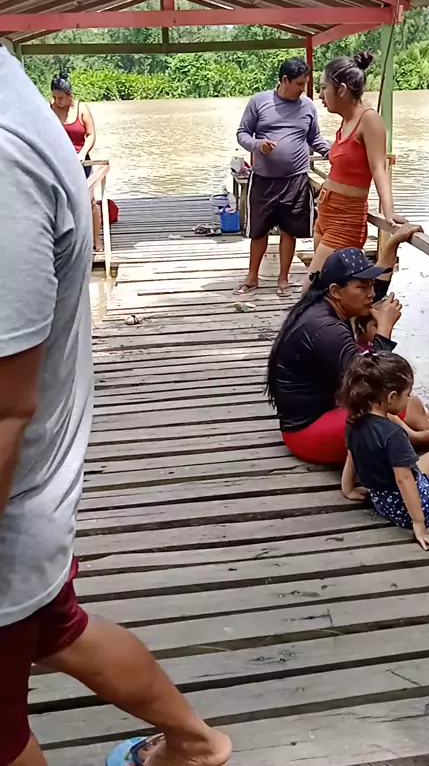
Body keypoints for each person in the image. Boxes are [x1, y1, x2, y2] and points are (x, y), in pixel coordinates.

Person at [0, 46, 231, 766]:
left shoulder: (4, 158)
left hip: (12, 504)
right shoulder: (19, 101)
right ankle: (195, 743)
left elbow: (5, 411)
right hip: (31, 501)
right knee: (56, 630)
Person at [266, 223, 429, 465]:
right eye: (362, 287)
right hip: (308, 432)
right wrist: (384, 329)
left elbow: (376, 289)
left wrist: (392, 243)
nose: (370, 294)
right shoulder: (326, 328)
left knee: (409, 404)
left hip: (328, 413)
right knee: (384, 408)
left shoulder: (325, 301)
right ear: (336, 290)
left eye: (369, 285)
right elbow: (373, 378)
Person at [340, 351, 429, 550]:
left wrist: (348, 489)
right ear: (392, 397)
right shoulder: (393, 434)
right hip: (412, 507)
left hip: (383, 500)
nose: (409, 400)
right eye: (407, 395)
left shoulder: (354, 420)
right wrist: (419, 524)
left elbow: (351, 454)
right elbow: (404, 479)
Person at [305, 50, 407, 286]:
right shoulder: (346, 121)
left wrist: (389, 211)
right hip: (326, 213)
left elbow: (379, 168)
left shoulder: (369, 120)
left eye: (323, 88)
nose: (320, 95)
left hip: (345, 219)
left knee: (311, 289)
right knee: (327, 291)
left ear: (341, 89)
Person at [235, 56, 330, 298]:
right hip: (263, 179)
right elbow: (242, 133)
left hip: (295, 180)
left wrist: (333, 153)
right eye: (299, 84)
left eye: (305, 84)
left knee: (289, 231)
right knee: (258, 232)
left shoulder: (307, 106)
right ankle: (252, 277)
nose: (303, 89)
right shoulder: (259, 102)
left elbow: (314, 138)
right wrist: (257, 144)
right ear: (284, 80)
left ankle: (283, 279)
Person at [355, 311, 429, 432]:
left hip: (378, 398)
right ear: (362, 327)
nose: (381, 328)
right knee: (413, 403)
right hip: (379, 401)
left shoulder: (364, 347)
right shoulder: (360, 352)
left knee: (408, 393)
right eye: (376, 325)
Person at [50, 70, 102, 252]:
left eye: (61, 98)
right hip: (58, 163)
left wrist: (83, 152)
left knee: (89, 201)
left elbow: (91, 135)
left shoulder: (81, 109)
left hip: (81, 161)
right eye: (54, 97)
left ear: (70, 95)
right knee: (59, 203)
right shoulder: (49, 109)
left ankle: (96, 240)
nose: (57, 101)